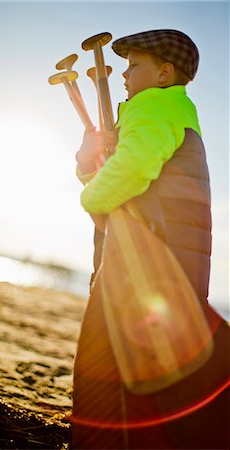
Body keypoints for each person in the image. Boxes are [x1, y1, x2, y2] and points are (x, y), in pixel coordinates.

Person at [72, 29, 230, 449]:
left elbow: (134, 169)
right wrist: (90, 163)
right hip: (176, 259)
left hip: (146, 256)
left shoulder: (153, 106)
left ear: (164, 73)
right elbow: (130, 178)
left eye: (133, 66)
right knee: (162, 363)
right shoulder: (178, 111)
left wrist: (89, 195)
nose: (124, 76)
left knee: (109, 366)